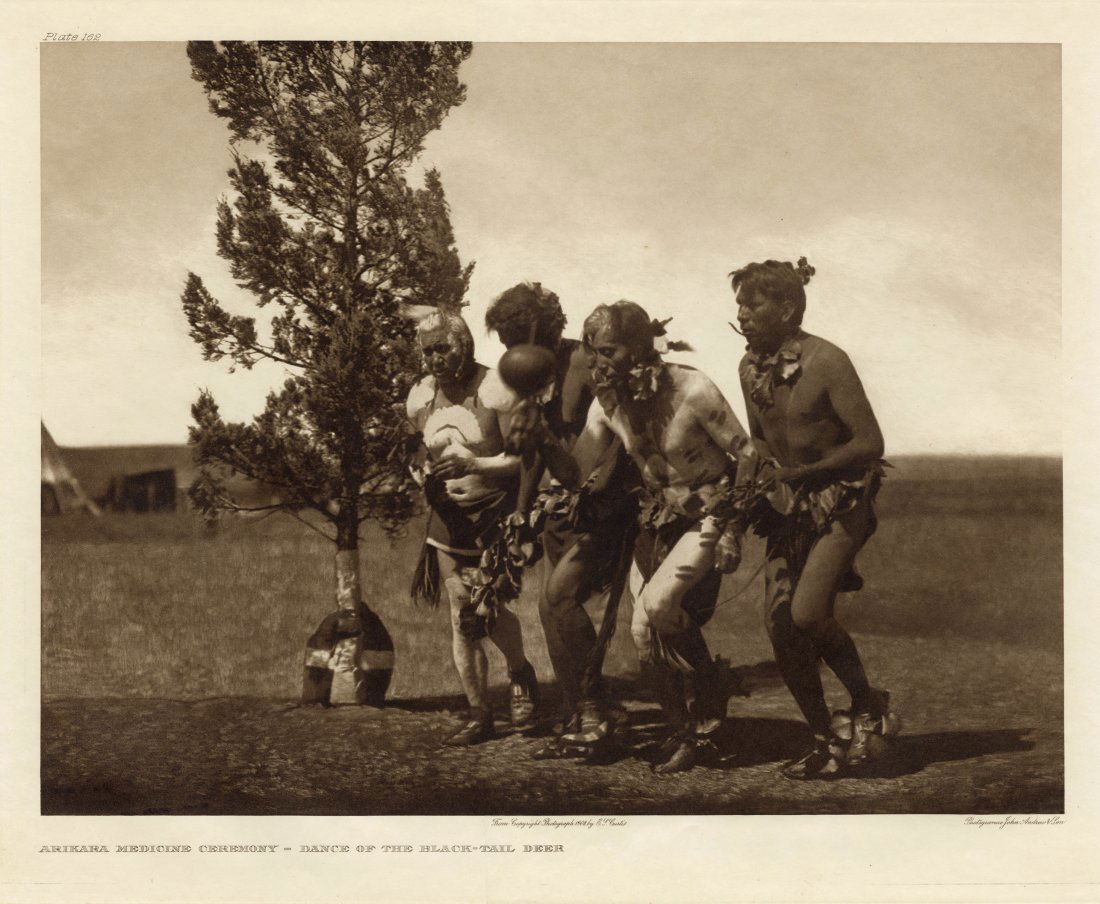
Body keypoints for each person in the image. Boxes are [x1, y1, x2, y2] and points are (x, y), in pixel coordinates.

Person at [557, 300, 748, 774]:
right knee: (648, 636)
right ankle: (695, 718)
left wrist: (733, 529)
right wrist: (537, 442)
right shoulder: (610, 404)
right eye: (591, 352)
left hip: (710, 512)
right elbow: (575, 470)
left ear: (641, 349)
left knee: (651, 617)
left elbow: (747, 454)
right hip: (657, 518)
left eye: (608, 351)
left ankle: (696, 718)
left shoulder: (692, 387)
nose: (599, 364)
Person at [730, 257, 900, 779]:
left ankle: (868, 700)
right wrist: (743, 493)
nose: (741, 312)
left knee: (806, 614)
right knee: (780, 627)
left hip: (842, 503)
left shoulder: (829, 361)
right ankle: (823, 736)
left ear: (787, 308)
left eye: (752, 303)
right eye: (738, 303)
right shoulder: (749, 367)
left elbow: (871, 443)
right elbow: (760, 439)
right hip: (786, 508)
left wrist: (810, 473)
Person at [482, 283, 639, 760]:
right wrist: (520, 515)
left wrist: (600, 489)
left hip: (605, 503)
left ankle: (599, 712)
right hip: (560, 505)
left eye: (516, 340)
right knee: (550, 609)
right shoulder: (530, 379)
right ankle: (580, 714)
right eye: (504, 344)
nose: (510, 353)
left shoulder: (585, 364)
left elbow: (622, 432)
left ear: (541, 332)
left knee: (560, 597)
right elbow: (535, 451)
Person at [405, 310, 539, 746]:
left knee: (487, 609)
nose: (435, 359)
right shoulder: (420, 396)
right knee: (460, 609)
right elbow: (417, 451)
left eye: (442, 348)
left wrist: (475, 464)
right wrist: (420, 473)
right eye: (427, 352)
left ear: (464, 345)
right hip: (447, 520)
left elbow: (524, 459)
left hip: (496, 516)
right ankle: (478, 711)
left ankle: (520, 673)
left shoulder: (496, 389)